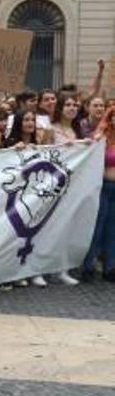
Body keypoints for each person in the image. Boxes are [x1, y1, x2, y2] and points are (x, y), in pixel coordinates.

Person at [3, 108, 47, 288]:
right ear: (19, 123)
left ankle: (33, 270)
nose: (30, 123)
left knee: (36, 233)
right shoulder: (10, 142)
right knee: (16, 236)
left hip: (35, 195)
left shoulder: (38, 142)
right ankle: (15, 272)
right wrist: (12, 150)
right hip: (17, 195)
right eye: (26, 119)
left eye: (32, 120)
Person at [82, 106, 115, 283]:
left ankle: (110, 268)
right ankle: (88, 266)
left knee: (113, 229)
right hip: (104, 186)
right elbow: (91, 146)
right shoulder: (102, 137)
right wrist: (100, 132)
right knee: (98, 227)